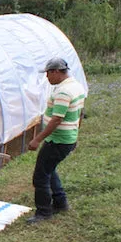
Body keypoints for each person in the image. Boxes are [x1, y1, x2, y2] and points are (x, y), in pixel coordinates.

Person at [26, 58, 86, 224]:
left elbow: (56, 119)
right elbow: (80, 113)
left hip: (58, 140)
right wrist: (75, 134)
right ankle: (60, 203)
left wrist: (37, 139)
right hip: (66, 138)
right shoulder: (76, 86)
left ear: (56, 72)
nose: (47, 77)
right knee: (49, 169)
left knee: (40, 176)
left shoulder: (63, 92)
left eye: (48, 73)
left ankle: (43, 213)